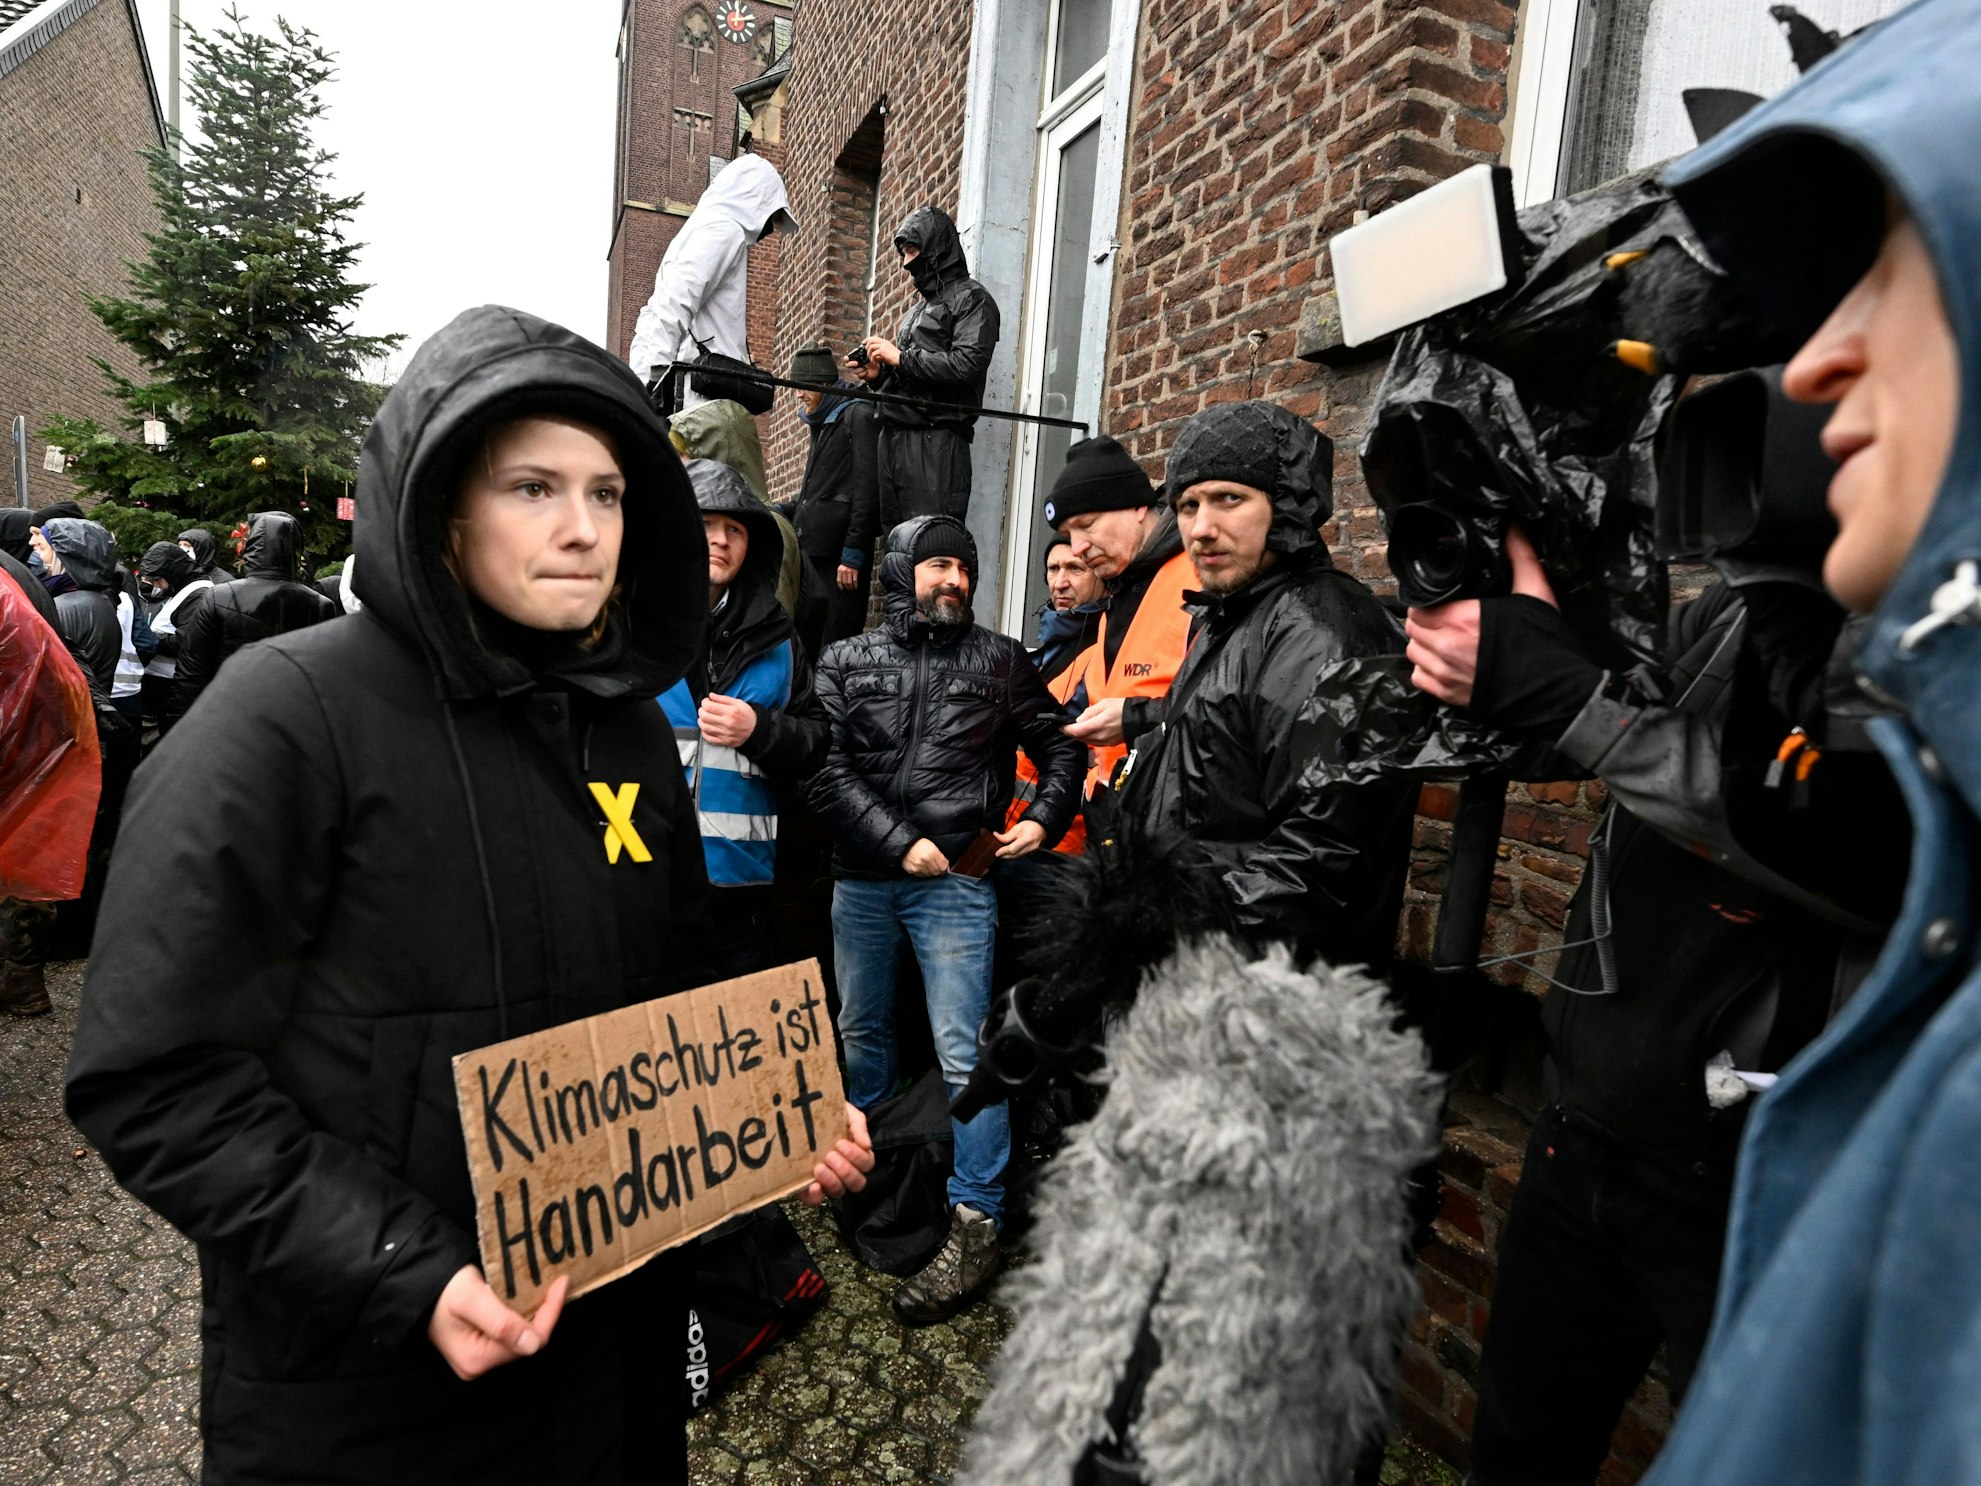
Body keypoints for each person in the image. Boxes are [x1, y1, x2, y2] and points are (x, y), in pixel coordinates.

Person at [65, 305, 872, 1484]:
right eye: (532, 488)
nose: (583, 529)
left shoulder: (631, 736)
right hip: (367, 1392)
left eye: (607, 494)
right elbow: (153, 1077)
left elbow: (684, 981)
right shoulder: (284, 718)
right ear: (441, 504)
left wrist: (781, 1109)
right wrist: (404, 1265)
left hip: (609, 1372)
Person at [1481, 5, 1981, 1480]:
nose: (1816, 367)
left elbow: (1812, 831)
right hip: (1584, 1118)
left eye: (1881, 282)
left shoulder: (1887, 688)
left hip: (1718, 1164)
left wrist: (1570, 700)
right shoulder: (1730, 617)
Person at [807, 514, 1083, 1322]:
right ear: (898, 572)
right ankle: (875, 1179)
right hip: (862, 879)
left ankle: (975, 1219)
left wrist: (1041, 814)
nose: (954, 580)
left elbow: (1062, 745)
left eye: (964, 567)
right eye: (937, 566)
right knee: (863, 1033)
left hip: (959, 884)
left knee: (968, 1055)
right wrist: (898, 845)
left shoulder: (999, 660)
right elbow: (822, 767)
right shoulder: (845, 659)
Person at [1114, 402, 1416, 970]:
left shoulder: (1321, 631)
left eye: (1229, 498)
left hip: (1264, 992)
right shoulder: (1229, 618)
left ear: (1285, 507)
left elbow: (1321, 852)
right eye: (1187, 505)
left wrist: (1181, 939)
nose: (1201, 529)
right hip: (1196, 969)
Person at [659, 459, 827, 976]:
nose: (721, 540)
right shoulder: (630, 627)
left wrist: (761, 730)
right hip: (643, 879)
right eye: (706, 524)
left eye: (735, 529)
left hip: (740, 891)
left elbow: (818, 742)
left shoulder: (781, 640)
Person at [1050, 435, 1197, 827]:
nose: (1077, 547)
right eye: (1069, 534)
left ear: (1136, 506)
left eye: (1086, 525)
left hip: (1180, 824)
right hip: (1119, 822)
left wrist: (1134, 719)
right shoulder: (1117, 593)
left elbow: (1231, 705)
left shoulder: (1200, 577)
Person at [847, 206, 1001, 526]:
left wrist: (900, 358)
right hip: (896, 439)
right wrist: (879, 376)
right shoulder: (917, 310)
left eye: (913, 251)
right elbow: (912, 380)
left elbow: (966, 364)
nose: (906, 263)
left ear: (936, 248)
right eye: (904, 253)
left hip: (937, 443)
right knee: (897, 551)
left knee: (930, 544)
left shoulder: (973, 299)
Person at [29, 517, 140, 954]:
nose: (37, 555)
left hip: (76, 738)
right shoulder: (94, 601)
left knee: (77, 839)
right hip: (88, 734)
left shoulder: (71, 607)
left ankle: (73, 934)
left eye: (44, 546)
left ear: (70, 554)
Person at [627, 153, 793, 414]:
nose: (769, 230)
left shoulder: (700, 229)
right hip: (704, 403)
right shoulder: (725, 230)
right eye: (771, 217)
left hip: (694, 395)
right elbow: (674, 303)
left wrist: (642, 382)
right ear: (756, 201)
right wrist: (652, 386)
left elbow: (655, 312)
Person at [171, 509, 337, 721]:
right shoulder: (321, 605)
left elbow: (191, 672)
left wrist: (182, 725)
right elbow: (324, 680)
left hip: (228, 715)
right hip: (291, 721)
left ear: (252, 547)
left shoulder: (219, 595)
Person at [787, 344, 880, 656]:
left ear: (821, 384)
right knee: (809, 648)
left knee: (835, 650)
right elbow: (817, 494)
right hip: (815, 554)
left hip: (840, 561)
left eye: (801, 387)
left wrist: (853, 553)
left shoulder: (857, 415)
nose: (798, 396)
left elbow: (867, 490)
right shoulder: (823, 421)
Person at [134, 541, 214, 735]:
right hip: (165, 686)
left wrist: (149, 640)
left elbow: (188, 639)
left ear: (172, 572)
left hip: (172, 688)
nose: (157, 586)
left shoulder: (199, 593)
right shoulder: (185, 589)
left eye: (158, 580)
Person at [1030, 532, 1104, 684]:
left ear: (1103, 578)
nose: (1059, 583)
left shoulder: (1115, 644)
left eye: (1074, 568)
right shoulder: (1041, 657)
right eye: (1054, 569)